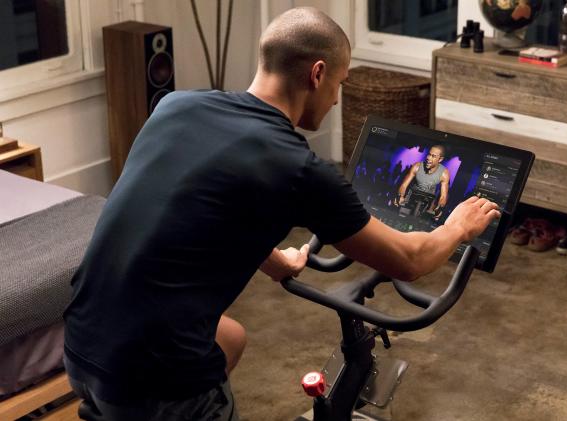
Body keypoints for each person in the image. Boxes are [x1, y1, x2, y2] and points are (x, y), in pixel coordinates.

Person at [63, 7, 500, 421]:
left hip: (81, 340)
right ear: (317, 74)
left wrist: (276, 263)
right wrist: (458, 226)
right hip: (154, 378)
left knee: (230, 338)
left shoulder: (177, 106)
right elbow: (409, 259)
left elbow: (206, 208)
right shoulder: (296, 167)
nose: (334, 100)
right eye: (340, 84)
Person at [395, 145, 450, 220]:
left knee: (435, 214)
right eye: (429, 154)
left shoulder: (444, 173)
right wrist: (400, 196)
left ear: (440, 159)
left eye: (433, 156)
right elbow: (404, 185)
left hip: (429, 201)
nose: (428, 158)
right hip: (412, 195)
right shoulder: (417, 166)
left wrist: (439, 207)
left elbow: (443, 196)